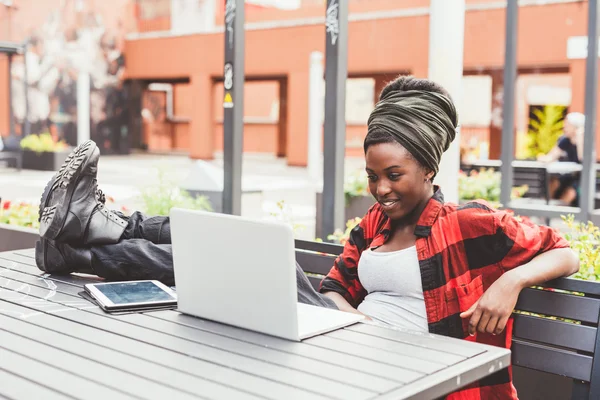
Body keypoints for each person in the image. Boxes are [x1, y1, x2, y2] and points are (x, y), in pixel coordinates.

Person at [35, 76, 579, 400]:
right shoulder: (373, 227)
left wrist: (510, 281)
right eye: (372, 175)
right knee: (230, 245)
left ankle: (88, 236)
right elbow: (339, 284)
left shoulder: (471, 224)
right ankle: (88, 237)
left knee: (251, 256)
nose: (381, 189)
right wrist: (351, 320)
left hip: (412, 375)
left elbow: (566, 251)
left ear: (430, 170)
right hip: (346, 351)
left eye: (395, 175)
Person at [538, 111, 585, 205]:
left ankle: (560, 213)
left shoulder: (584, 140)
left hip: (581, 177)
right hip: (568, 174)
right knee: (553, 182)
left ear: (576, 127)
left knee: (571, 192)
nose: (564, 128)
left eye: (567, 125)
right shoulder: (564, 140)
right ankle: (545, 209)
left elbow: (582, 158)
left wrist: (579, 138)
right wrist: (541, 158)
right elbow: (551, 156)